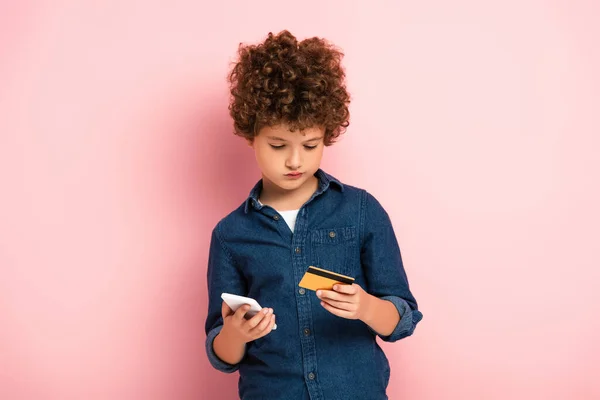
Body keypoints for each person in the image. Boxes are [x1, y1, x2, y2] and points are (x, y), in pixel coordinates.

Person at [204, 30, 423, 400]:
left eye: (310, 145)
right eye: (277, 145)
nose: (294, 160)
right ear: (250, 136)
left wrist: (366, 306)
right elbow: (221, 353)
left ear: (327, 135)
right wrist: (235, 335)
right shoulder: (230, 234)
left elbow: (402, 321)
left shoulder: (362, 211)